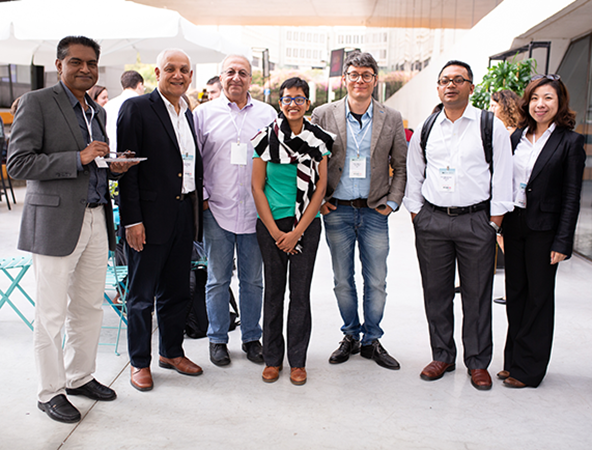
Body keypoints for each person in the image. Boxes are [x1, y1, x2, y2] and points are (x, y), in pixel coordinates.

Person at [6, 36, 137, 423]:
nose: (85, 69)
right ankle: (50, 391)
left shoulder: (96, 111)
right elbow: (18, 164)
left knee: (89, 307)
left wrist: (112, 165)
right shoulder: (37, 103)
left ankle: (80, 376)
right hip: (54, 222)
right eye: (76, 62)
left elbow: (92, 164)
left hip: (96, 217)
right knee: (50, 314)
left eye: (92, 63)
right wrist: (77, 158)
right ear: (59, 64)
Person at [403, 60, 514, 390]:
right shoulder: (427, 127)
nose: (450, 85)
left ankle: (478, 362)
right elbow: (415, 174)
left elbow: (503, 175)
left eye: (458, 80)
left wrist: (493, 223)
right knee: (435, 293)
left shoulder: (488, 125)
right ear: (438, 88)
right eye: (444, 80)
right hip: (433, 221)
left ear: (471, 87)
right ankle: (442, 354)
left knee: (477, 295)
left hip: (475, 222)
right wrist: (417, 215)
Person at [311, 51, 407, 370]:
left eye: (367, 75)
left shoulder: (391, 117)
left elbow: (401, 166)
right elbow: (311, 162)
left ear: (375, 80)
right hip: (336, 209)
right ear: (344, 79)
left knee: (376, 280)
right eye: (354, 74)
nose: (360, 80)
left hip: (373, 210)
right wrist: (320, 201)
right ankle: (351, 334)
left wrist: (392, 203)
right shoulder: (323, 114)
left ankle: (372, 339)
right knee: (342, 280)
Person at [117, 48, 204, 391]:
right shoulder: (136, 108)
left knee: (178, 291)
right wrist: (132, 220)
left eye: (184, 69)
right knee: (141, 296)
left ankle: (171, 352)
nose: (178, 75)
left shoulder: (189, 113)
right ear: (157, 72)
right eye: (171, 69)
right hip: (148, 219)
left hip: (183, 214)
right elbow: (127, 170)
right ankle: (140, 362)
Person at [499, 75, 585, 389]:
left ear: (559, 103)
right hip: (515, 224)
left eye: (548, 98)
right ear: (527, 102)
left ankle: (530, 369)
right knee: (516, 295)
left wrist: (563, 241)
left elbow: (572, 196)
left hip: (545, 231)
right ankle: (512, 362)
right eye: (535, 98)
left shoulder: (570, 142)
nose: (540, 104)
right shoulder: (516, 137)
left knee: (538, 299)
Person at [194, 55, 276, 367]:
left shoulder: (267, 114)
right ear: (221, 77)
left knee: (253, 280)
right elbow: (195, 158)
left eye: (243, 73)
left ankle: (251, 337)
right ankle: (217, 339)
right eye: (230, 72)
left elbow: (277, 162)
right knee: (217, 279)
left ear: (250, 79)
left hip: (256, 213)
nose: (236, 78)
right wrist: (201, 196)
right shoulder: (204, 114)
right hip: (217, 209)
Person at [251, 77, 333, 385]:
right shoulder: (264, 138)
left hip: (306, 226)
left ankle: (297, 361)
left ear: (308, 104)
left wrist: (298, 231)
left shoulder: (319, 140)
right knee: (273, 293)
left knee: (300, 295)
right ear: (279, 102)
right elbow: (257, 188)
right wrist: (275, 232)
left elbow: (320, 187)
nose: (293, 104)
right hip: (271, 226)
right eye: (287, 99)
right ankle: (273, 359)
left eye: (299, 99)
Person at [489, 89, 523, 305]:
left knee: (506, 246)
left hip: (507, 196)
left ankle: (513, 290)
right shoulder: (500, 129)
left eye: (495, 104)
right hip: (500, 195)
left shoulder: (510, 133)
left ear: (506, 106)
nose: (491, 108)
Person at [104, 70, 145, 155]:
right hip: (132, 157)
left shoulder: (108, 105)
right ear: (140, 85)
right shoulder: (142, 105)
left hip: (109, 155)